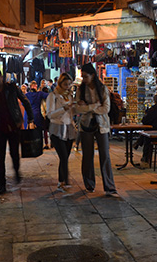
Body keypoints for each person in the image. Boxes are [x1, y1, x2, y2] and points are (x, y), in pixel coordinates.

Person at [0, 68, 35, 195]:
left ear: (1, 77)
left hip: (13, 126)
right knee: (0, 157)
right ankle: (1, 184)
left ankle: (17, 171)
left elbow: (25, 101)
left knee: (14, 153)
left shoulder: (12, 88)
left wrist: (30, 119)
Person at [75, 63, 119, 197]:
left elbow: (106, 108)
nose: (84, 79)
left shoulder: (102, 89)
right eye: (82, 76)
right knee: (87, 155)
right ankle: (89, 184)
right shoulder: (80, 90)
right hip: (86, 125)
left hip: (102, 125)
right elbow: (78, 109)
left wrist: (87, 107)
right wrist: (94, 106)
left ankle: (109, 187)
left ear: (93, 75)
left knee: (104, 155)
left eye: (85, 76)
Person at [46, 73, 76, 191]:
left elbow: (72, 113)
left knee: (66, 157)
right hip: (57, 128)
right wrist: (64, 108)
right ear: (60, 83)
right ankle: (63, 181)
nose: (67, 86)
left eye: (69, 84)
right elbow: (50, 114)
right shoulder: (53, 96)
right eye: (65, 84)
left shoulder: (69, 96)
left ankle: (62, 181)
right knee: (63, 156)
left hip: (69, 128)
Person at [26, 81, 49, 149]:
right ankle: (39, 146)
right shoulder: (39, 94)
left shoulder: (27, 95)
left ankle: (31, 145)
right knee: (39, 131)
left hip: (29, 115)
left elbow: (22, 103)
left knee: (30, 131)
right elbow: (48, 95)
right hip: (38, 114)